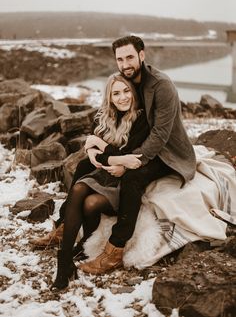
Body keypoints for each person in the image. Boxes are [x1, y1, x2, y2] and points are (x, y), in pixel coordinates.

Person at [78, 35, 196, 275]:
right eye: (120, 59)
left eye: (130, 57)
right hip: (135, 147)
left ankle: (115, 250)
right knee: (82, 166)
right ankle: (64, 228)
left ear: (142, 55)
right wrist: (94, 148)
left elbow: (160, 135)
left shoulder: (162, 85)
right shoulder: (126, 81)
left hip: (167, 153)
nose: (125, 63)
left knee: (132, 178)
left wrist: (129, 162)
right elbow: (106, 117)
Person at [51, 73, 150, 290]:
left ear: (133, 93)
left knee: (90, 203)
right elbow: (97, 154)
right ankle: (65, 261)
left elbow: (129, 157)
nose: (122, 97)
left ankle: (77, 248)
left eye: (126, 91)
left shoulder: (141, 119)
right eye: (116, 93)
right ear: (110, 97)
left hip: (122, 181)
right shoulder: (104, 116)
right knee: (78, 189)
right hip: (102, 174)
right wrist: (94, 147)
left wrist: (99, 144)